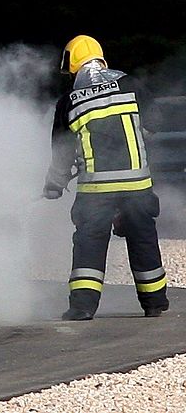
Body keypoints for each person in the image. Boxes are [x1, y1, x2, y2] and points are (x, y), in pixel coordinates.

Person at [43, 35, 168, 321]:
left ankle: (83, 307)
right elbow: (156, 122)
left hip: (96, 189)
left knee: (89, 243)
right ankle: (154, 303)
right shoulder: (129, 84)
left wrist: (54, 184)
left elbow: (61, 152)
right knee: (143, 239)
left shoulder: (70, 101)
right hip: (137, 184)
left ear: (72, 64)